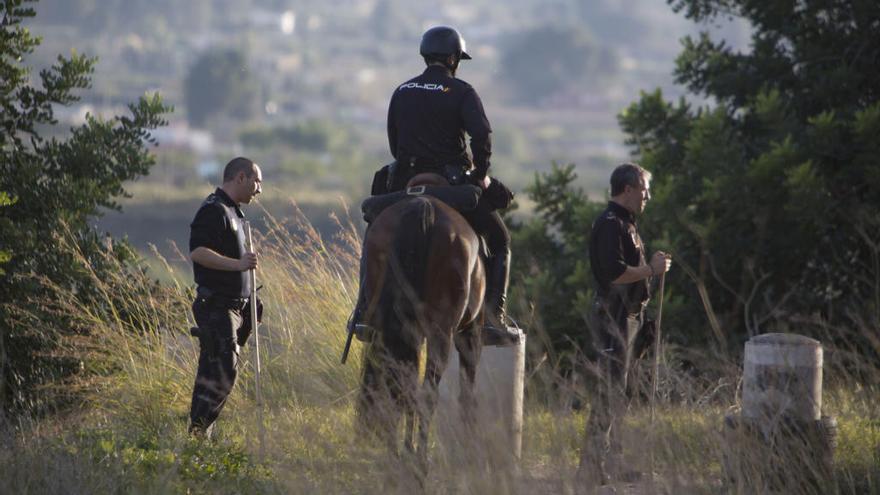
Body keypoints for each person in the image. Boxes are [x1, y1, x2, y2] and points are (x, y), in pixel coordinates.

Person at [349, 25, 519, 345]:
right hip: (452, 185)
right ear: (454, 58)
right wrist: (479, 173)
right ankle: (494, 320)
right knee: (501, 240)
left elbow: (394, 143)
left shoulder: (402, 91)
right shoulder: (462, 91)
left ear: (425, 56)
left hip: (406, 182)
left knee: (374, 233)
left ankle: (363, 312)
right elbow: (482, 136)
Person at [578, 163, 672, 484]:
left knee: (624, 393)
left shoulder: (625, 224)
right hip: (613, 319)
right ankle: (591, 467)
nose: (648, 195)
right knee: (609, 392)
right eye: (644, 189)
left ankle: (612, 461)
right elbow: (615, 274)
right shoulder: (609, 225)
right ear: (628, 189)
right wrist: (652, 270)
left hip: (630, 319)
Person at [187, 157, 263, 437]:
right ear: (240, 177)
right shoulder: (214, 210)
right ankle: (197, 435)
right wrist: (238, 265)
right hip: (216, 305)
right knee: (219, 372)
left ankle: (203, 433)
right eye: (257, 181)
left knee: (222, 371)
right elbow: (198, 252)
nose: (259, 190)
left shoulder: (235, 212)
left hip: (235, 307)